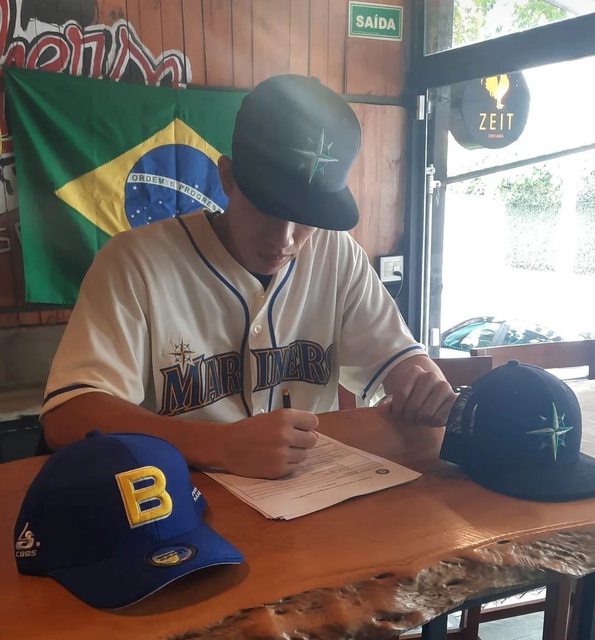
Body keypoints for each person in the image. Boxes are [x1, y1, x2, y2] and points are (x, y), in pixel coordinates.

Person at [42, 74, 456, 479]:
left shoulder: (337, 252)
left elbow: (401, 361)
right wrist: (220, 445)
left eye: (307, 217)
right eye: (268, 208)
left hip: (315, 493)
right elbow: (67, 416)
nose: (285, 238)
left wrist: (424, 384)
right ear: (227, 178)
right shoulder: (135, 261)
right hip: (176, 501)